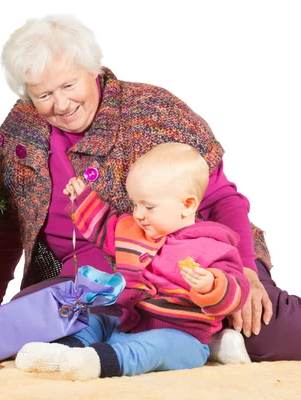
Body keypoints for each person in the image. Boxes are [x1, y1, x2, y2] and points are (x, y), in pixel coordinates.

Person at [0, 13, 301, 362]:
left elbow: (222, 199)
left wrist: (244, 270)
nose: (61, 104)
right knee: (15, 333)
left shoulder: (151, 112)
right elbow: (7, 226)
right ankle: (189, 343)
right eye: (44, 94)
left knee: (268, 334)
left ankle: (205, 335)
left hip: (190, 264)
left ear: (94, 69)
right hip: (90, 285)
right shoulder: (22, 128)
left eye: (69, 86)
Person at [15, 142, 250, 380]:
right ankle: (64, 350)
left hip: (180, 336)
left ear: (186, 205)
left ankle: (100, 361)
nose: (138, 214)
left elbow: (238, 290)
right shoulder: (132, 229)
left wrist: (212, 285)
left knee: (156, 347)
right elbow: (104, 225)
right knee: (95, 320)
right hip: (127, 322)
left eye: (149, 206)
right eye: (135, 204)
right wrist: (82, 199)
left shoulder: (213, 247)